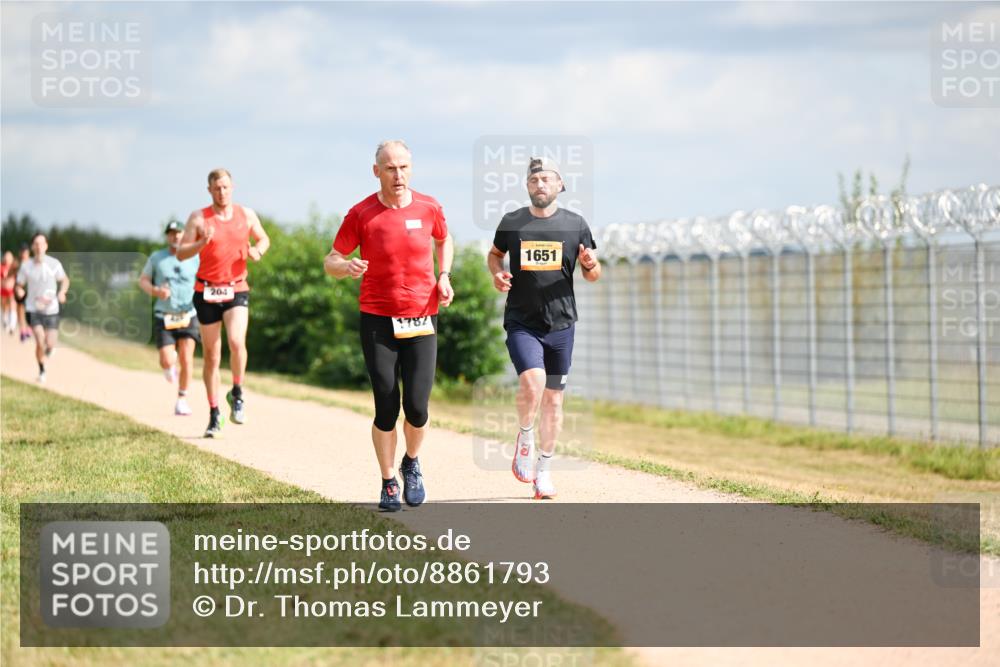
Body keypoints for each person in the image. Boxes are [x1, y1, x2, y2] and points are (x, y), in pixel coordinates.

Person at [324, 140, 455, 512]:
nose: (398, 175)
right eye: (390, 168)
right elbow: (331, 259)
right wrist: (345, 267)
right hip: (378, 318)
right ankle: (387, 482)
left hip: (422, 315)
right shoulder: (361, 213)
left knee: (417, 406)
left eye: (403, 167)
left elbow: (445, 240)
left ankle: (411, 462)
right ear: (376, 171)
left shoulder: (429, 206)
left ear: (411, 169)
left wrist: (444, 276)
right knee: (386, 404)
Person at [487, 157, 601, 499]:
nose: (540, 184)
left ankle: (544, 471)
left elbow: (593, 273)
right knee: (533, 381)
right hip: (523, 321)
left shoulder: (575, 224)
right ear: (527, 186)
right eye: (534, 179)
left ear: (559, 185)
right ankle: (525, 435)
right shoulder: (512, 222)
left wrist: (591, 265)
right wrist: (496, 273)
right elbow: (494, 255)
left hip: (562, 325)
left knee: (553, 401)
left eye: (547, 179)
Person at [177, 168, 270, 437]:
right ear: (209, 190)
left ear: (233, 187)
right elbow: (182, 253)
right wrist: (200, 244)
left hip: (236, 288)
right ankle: (214, 412)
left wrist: (258, 250)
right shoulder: (199, 218)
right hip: (206, 291)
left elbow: (264, 237)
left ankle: (237, 393)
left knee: (237, 342)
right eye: (217, 188)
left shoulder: (246, 214)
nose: (222, 192)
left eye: (226, 187)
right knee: (211, 356)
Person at [140, 219, 202, 416]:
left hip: (188, 313)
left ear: (185, 234)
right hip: (164, 315)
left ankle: (182, 398)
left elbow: (205, 279)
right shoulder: (157, 258)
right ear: (167, 236)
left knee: (187, 358)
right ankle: (169, 366)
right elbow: (143, 281)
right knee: (167, 360)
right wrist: (156, 291)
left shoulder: (195, 257)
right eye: (172, 233)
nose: (176, 236)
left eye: (179, 232)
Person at [16, 233, 70, 383]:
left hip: (51, 310)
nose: (39, 247)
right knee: (40, 339)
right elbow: (19, 285)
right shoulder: (26, 266)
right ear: (33, 247)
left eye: (42, 244)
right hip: (33, 309)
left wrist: (62, 292)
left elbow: (64, 280)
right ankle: (42, 370)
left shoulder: (54, 264)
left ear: (46, 246)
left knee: (50, 343)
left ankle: (49, 349)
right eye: (36, 244)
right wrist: (19, 291)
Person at [15, 244, 32, 341]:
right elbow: (10, 274)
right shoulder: (17, 264)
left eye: (25, 252)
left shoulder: (32, 263)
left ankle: (29, 328)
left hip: (30, 290)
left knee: (30, 311)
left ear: (28, 253)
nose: (23, 254)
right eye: (22, 252)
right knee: (20, 310)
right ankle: (22, 331)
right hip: (19, 290)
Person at [1, 250, 16, 334]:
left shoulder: (13, 268)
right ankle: (5, 321)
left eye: (9, 257)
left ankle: (12, 326)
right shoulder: (1, 267)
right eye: (6, 257)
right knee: (4, 306)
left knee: (12, 305)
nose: (7, 259)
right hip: (3, 291)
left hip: (11, 291)